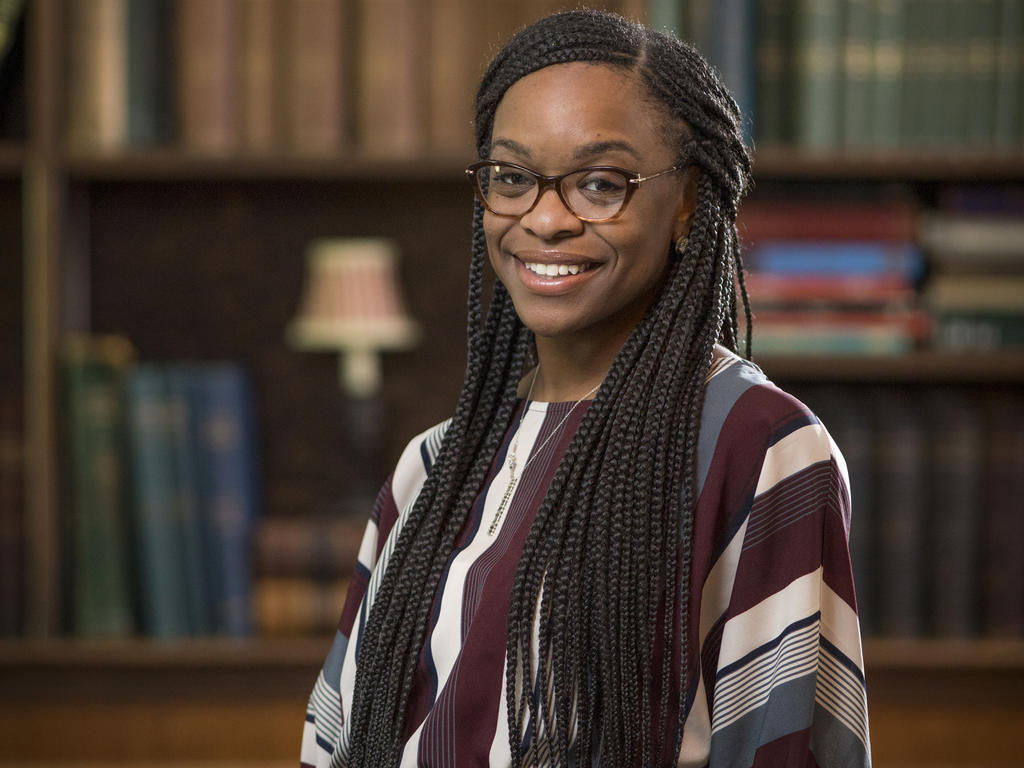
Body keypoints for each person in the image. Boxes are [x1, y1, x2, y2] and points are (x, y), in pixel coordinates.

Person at [301, 9, 870, 768]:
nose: (545, 218)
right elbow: (337, 739)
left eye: (600, 183)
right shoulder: (431, 468)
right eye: (512, 177)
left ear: (690, 203)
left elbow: (788, 749)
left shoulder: (757, 446)